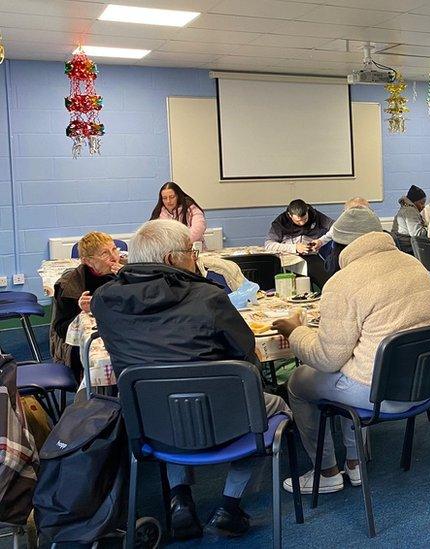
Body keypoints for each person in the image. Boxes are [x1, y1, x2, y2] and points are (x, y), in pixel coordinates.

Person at [90, 219, 290, 540]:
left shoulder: (103, 300)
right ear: (171, 259)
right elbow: (245, 350)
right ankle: (230, 505)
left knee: (169, 399)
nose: (195, 256)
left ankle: (179, 499)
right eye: (190, 250)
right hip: (221, 416)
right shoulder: (207, 297)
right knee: (275, 405)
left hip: (149, 422)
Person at [272, 217, 430, 495]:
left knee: (299, 381)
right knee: (354, 363)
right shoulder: (414, 264)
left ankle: (326, 472)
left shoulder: (344, 282)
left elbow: (327, 359)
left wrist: (295, 332)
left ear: (339, 244)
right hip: (427, 382)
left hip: (381, 394)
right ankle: (355, 463)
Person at [50, 232, 123, 381]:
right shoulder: (70, 285)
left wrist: (128, 278)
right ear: (87, 261)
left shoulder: (125, 271)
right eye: (104, 253)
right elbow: (60, 329)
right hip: (78, 345)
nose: (114, 257)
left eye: (115, 249)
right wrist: (80, 311)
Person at [265, 199, 335, 289]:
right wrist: (295, 248)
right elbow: (268, 244)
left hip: (311, 256)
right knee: (301, 288)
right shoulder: (280, 222)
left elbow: (336, 227)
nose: (302, 223)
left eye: (305, 219)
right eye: (297, 221)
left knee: (329, 283)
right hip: (289, 259)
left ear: (307, 210)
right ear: (290, 215)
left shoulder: (316, 215)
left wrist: (321, 241)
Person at [150, 181, 206, 246]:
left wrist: (178, 244)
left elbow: (198, 229)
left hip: (192, 249)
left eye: (172, 197)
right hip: (168, 252)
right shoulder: (158, 213)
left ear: (178, 196)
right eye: (165, 198)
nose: (168, 201)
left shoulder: (191, 208)